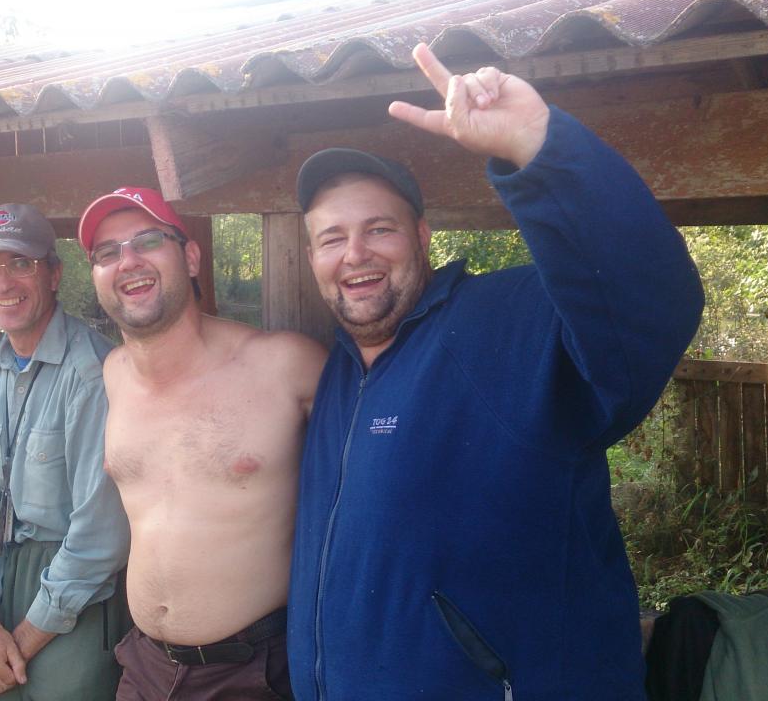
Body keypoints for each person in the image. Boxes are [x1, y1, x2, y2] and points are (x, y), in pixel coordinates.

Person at [287, 44, 705, 700]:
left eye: (380, 230)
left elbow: (650, 302)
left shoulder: (502, 322)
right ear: (312, 256)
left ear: (422, 236)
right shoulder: (333, 371)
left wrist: (539, 149)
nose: (355, 253)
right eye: (332, 238)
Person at [78, 187, 327, 700]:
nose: (128, 261)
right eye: (107, 252)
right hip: (144, 667)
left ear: (191, 257)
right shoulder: (113, 373)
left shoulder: (285, 365)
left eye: (148, 241)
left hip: (251, 672)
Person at [0, 203, 130, 701]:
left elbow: (101, 537)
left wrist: (19, 646)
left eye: (20, 263)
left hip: (79, 587)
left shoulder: (92, 372)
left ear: (53, 273)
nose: (3, 282)